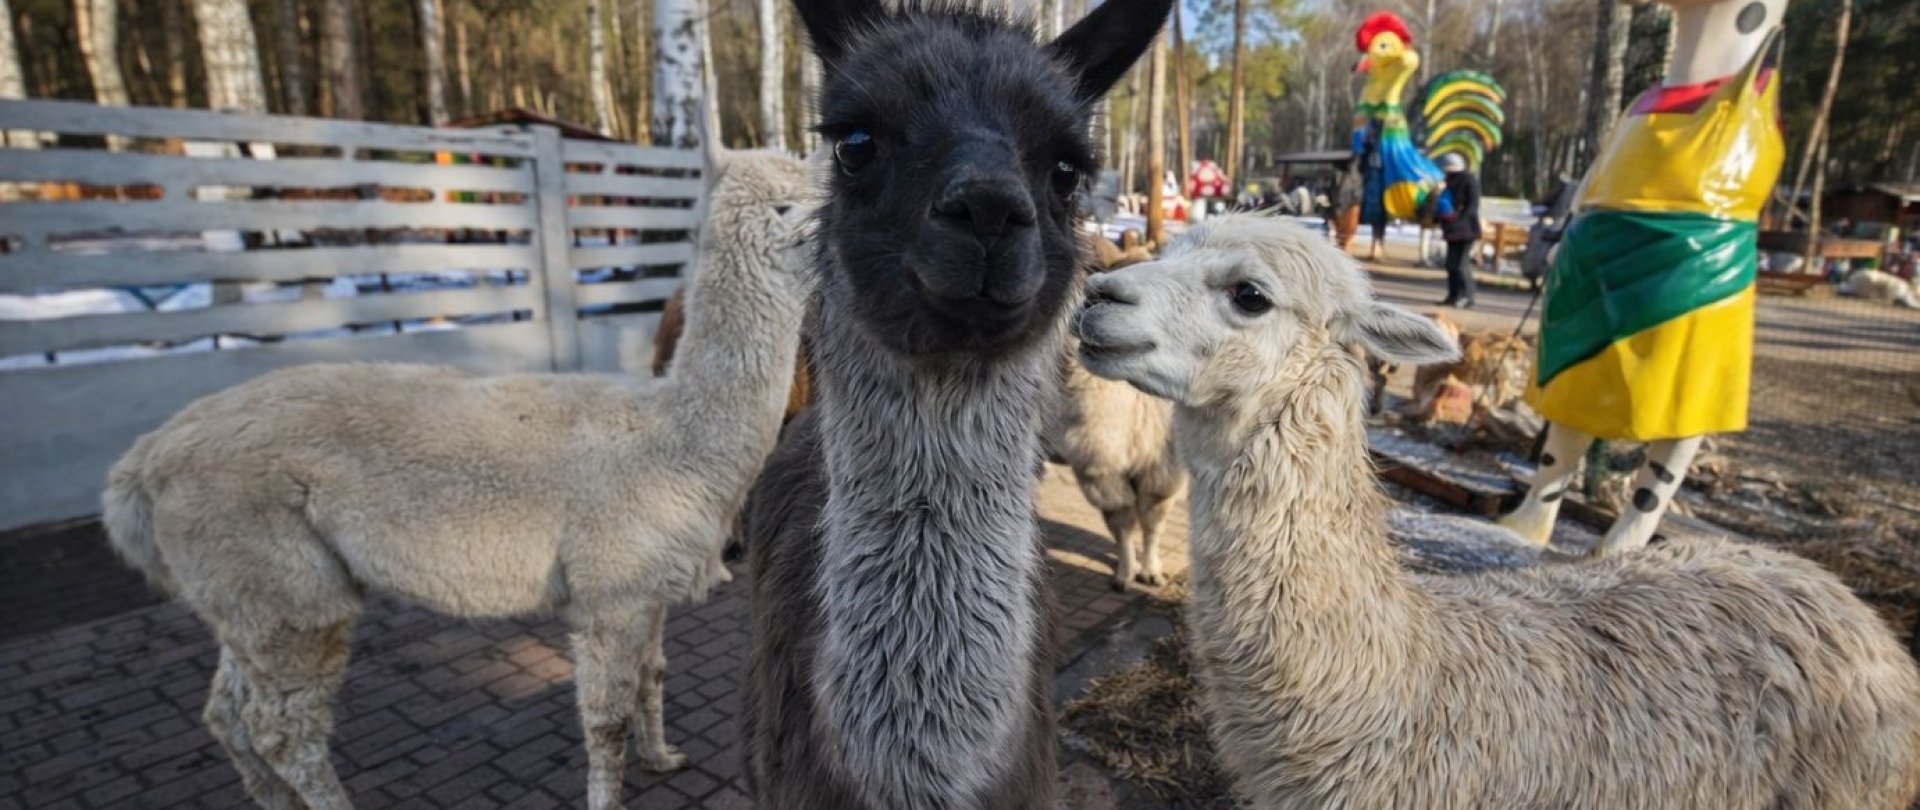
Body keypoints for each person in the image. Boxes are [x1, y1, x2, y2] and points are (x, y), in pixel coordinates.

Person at [1437, 152, 1480, 308]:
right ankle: (1453, 295)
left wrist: (1458, 221)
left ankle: (1468, 297)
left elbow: (1472, 207)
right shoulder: (1449, 182)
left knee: (1461, 265)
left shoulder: (1469, 181)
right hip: (1452, 230)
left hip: (1466, 230)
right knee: (1450, 264)